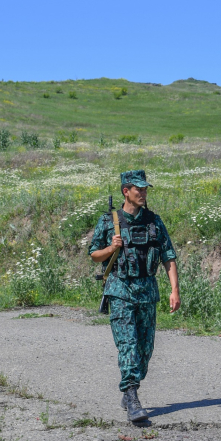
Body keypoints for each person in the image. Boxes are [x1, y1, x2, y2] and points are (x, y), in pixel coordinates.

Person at [89, 170, 180, 423]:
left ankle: (131, 388)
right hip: (120, 290)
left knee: (144, 350)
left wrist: (175, 290)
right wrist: (112, 248)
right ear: (125, 191)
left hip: (147, 292)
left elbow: (168, 256)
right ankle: (131, 395)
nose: (142, 193)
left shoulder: (154, 221)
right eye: (137, 189)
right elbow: (94, 255)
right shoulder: (109, 221)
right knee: (128, 344)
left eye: (145, 189)